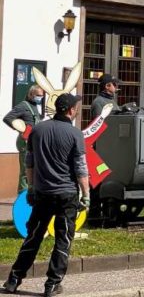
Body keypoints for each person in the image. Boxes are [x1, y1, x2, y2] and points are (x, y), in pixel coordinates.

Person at [3, 94, 90, 297]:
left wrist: (31, 188)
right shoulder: (75, 134)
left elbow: (29, 162)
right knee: (63, 239)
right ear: (69, 110)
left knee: (33, 237)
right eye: (75, 107)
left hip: (42, 193)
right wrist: (86, 194)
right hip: (66, 194)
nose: (76, 110)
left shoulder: (38, 130)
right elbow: (80, 168)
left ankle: (13, 280)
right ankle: (52, 284)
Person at [3, 85, 45, 192]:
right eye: (38, 95)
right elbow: (7, 118)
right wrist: (21, 128)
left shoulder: (34, 106)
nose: (40, 98)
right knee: (25, 171)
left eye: (42, 96)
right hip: (25, 142)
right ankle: (22, 196)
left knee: (32, 170)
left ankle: (29, 194)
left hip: (33, 142)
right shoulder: (23, 106)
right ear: (31, 94)